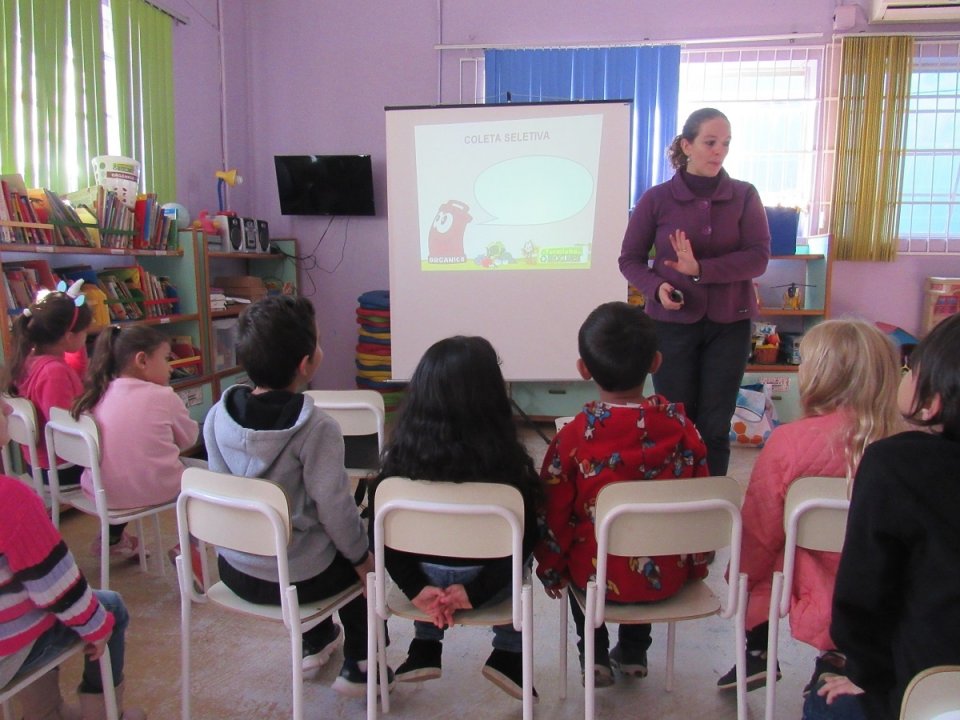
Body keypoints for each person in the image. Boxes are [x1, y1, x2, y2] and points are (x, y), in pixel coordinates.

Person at [203, 295, 383, 698]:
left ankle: (315, 640)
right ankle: (362, 660)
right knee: (363, 549)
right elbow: (335, 509)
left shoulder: (217, 414)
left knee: (310, 539)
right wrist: (361, 558)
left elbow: (223, 489)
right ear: (306, 364)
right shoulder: (317, 428)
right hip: (299, 580)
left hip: (236, 571)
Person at [714, 320, 902, 695]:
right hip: (885, 590)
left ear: (819, 377)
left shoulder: (789, 442)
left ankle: (757, 648)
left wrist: (738, 578)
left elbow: (760, 529)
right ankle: (836, 660)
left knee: (765, 552)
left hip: (810, 586)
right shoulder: (904, 443)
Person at [534, 301, 710, 687]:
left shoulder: (573, 438)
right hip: (666, 574)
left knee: (592, 547)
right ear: (656, 362)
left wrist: (549, 569)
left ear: (583, 368)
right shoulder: (685, 430)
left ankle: (594, 655)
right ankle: (634, 650)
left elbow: (553, 515)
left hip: (596, 575)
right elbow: (703, 504)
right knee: (645, 531)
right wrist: (697, 565)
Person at [804, 312, 960, 720]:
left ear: (936, 397)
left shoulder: (897, 464)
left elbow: (864, 592)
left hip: (925, 683)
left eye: (910, 368)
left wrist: (864, 671)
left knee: (825, 702)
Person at [368, 335, 541, 702]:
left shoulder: (395, 474)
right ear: (493, 398)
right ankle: (509, 652)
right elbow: (525, 544)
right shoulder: (509, 471)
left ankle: (424, 646)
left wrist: (416, 589)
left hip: (423, 581)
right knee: (521, 540)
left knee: (414, 536)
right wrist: (474, 593)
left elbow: (378, 537)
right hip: (489, 582)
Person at [619, 107, 770, 476]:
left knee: (715, 425)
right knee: (675, 421)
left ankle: (712, 501)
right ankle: (676, 497)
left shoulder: (744, 195)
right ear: (687, 146)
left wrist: (701, 270)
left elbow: (758, 258)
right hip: (671, 324)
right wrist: (657, 288)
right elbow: (630, 260)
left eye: (726, 143)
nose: (719, 151)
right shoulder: (656, 199)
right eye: (710, 142)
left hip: (729, 323)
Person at [0, 395, 146, 720]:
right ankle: (102, 713)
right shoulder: (11, 499)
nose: (9, 408)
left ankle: (45, 712)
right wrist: (95, 626)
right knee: (110, 608)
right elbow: (59, 587)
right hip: (5, 655)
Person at [70, 325, 202, 580]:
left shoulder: (95, 393)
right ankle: (188, 549)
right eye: (165, 358)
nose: (171, 366)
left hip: (102, 493)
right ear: (142, 360)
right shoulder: (164, 396)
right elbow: (189, 439)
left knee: (121, 463)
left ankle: (110, 539)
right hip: (153, 488)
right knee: (205, 478)